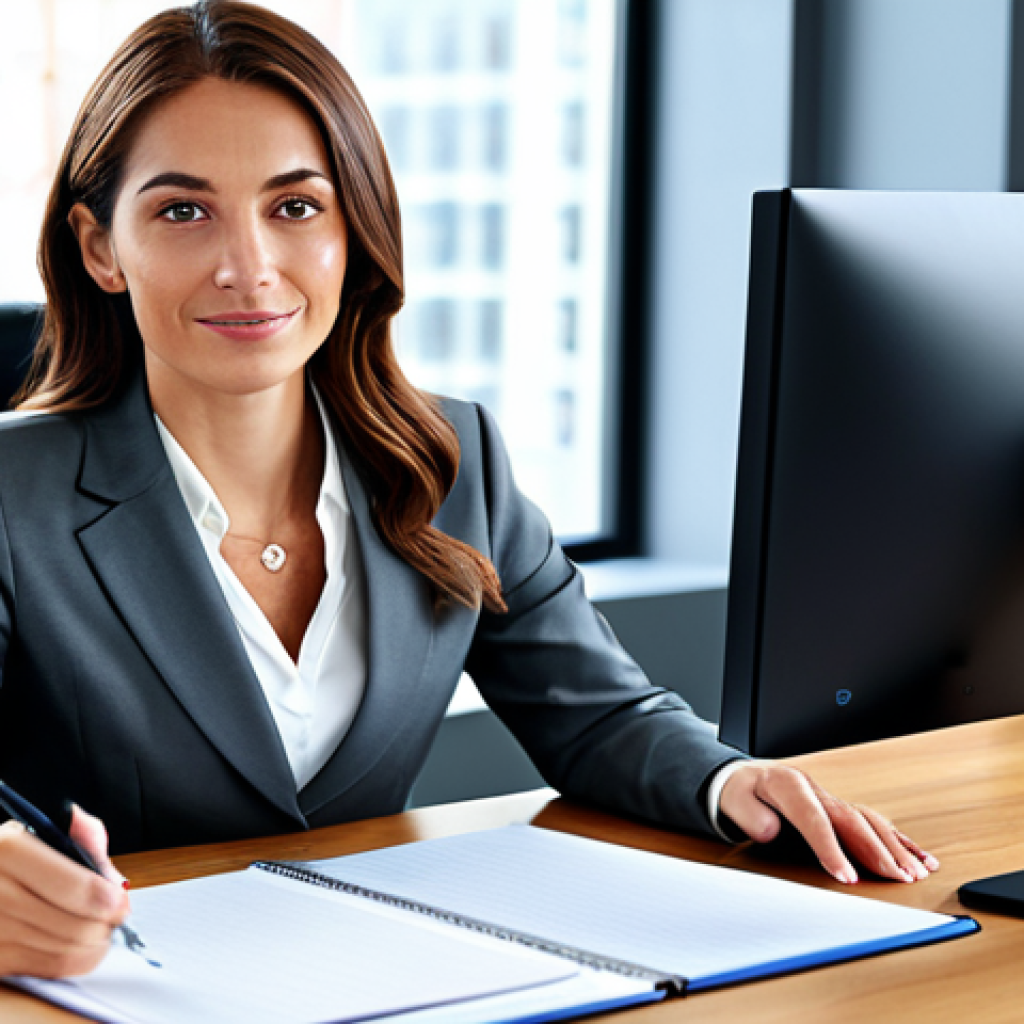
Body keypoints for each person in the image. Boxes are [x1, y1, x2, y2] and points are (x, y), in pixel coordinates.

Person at [0, 0, 938, 980]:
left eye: (296, 206)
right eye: (182, 211)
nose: (249, 267)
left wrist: (729, 780)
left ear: (353, 229)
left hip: (381, 981)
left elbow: (596, 713)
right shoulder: (13, 499)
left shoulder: (452, 458)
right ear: (100, 246)